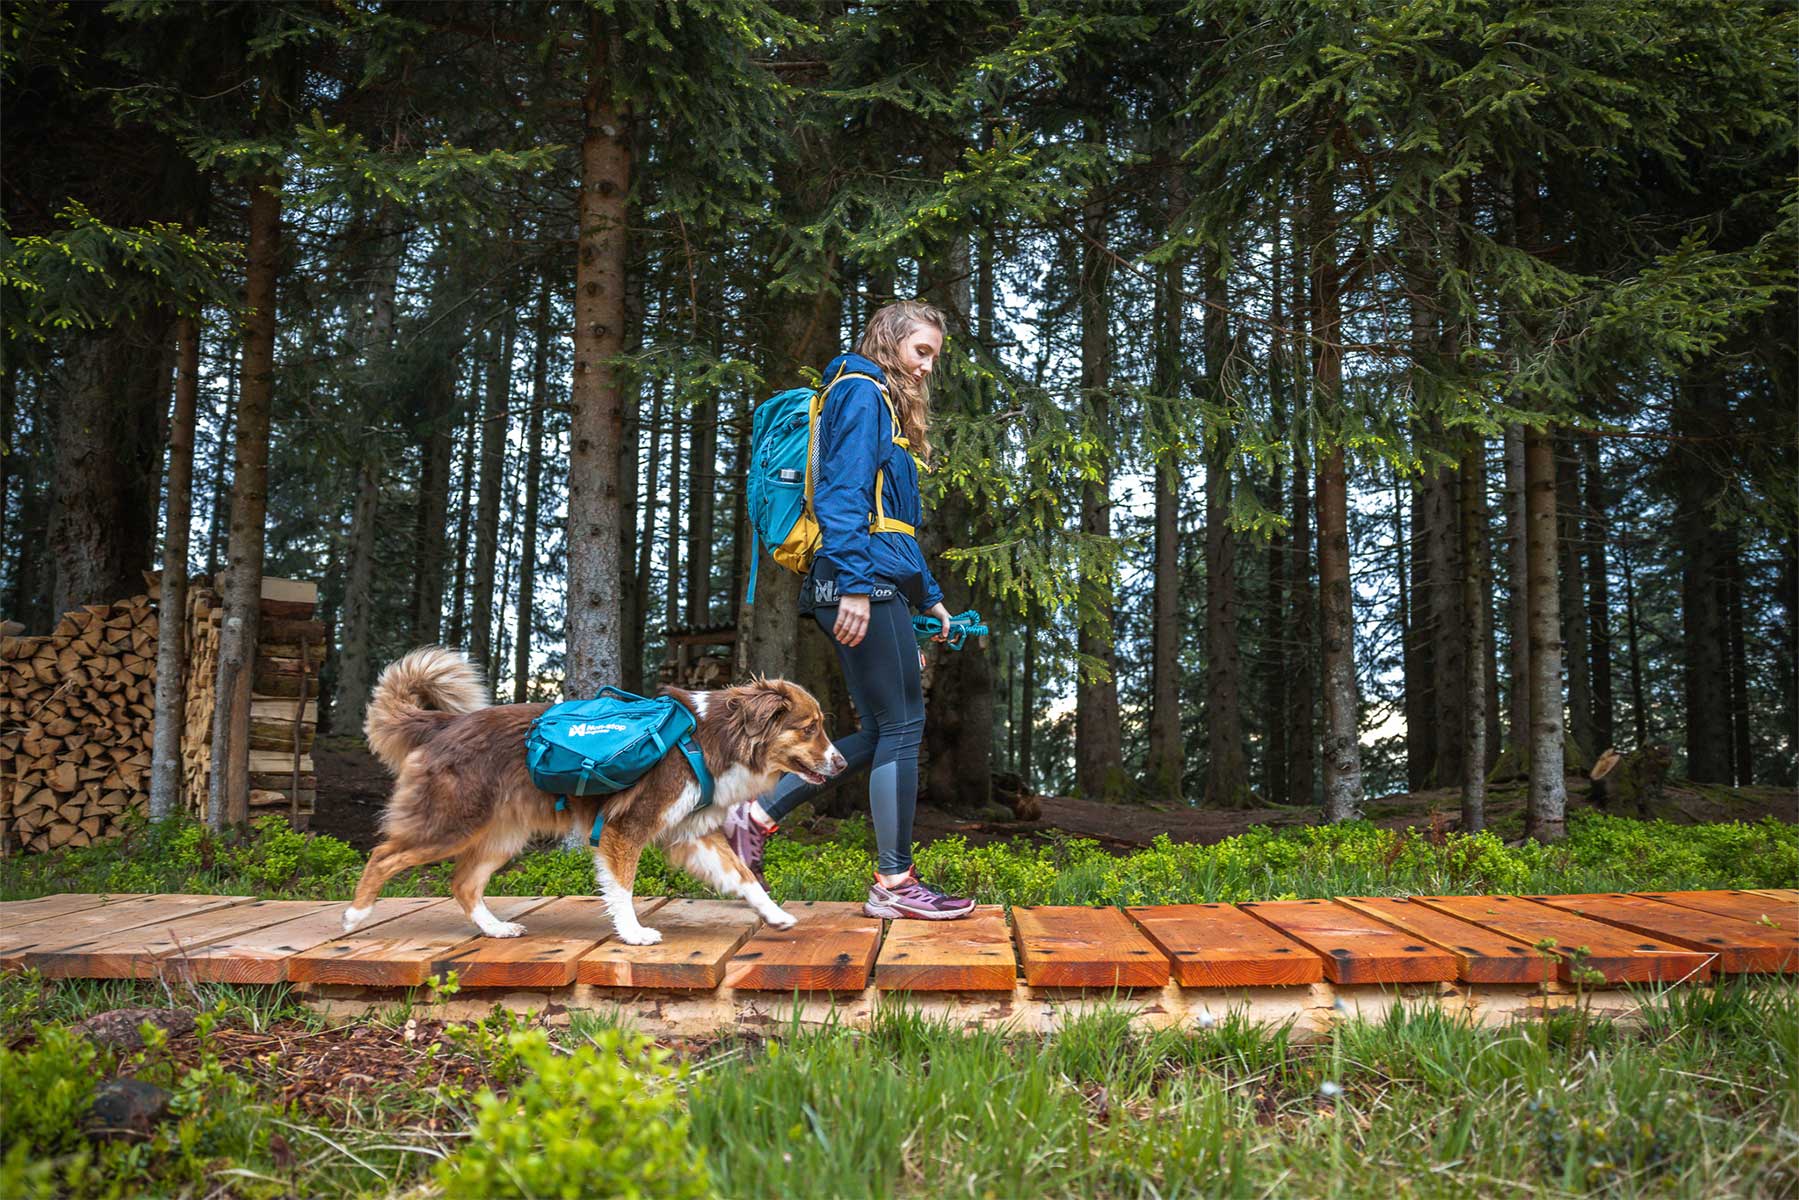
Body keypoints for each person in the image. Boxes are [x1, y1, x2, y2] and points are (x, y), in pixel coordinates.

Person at [724, 300, 975, 920]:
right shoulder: (862, 392)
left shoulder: (873, 398)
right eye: (921, 351)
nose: (926, 367)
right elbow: (842, 496)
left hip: (870, 578)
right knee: (903, 728)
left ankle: (752, 817)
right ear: (890, 341)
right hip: (856, 581)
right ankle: (894, 884)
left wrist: (930, 597)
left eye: (934, 357)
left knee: (883, 726)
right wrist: (858, 588)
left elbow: (892, 523)